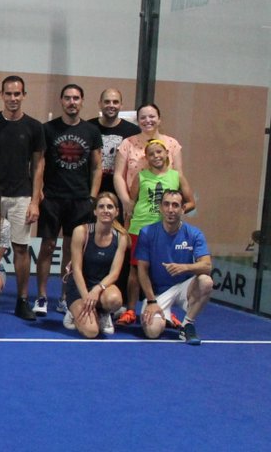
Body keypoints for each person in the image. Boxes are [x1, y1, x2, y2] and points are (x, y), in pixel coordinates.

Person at [0, 75, 45, 321]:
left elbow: (38, 166)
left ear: (23, 95)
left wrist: (35, 200)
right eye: (9, 94)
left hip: (21, 196)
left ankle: (22, 300)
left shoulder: (35, 127)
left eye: (17, 94)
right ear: (1, 95)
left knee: (21, 248)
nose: (13, 98)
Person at [35, 84, 102, 317]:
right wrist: (39, 193)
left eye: (76, 98)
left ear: (82, 101)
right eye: (67, 98)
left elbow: (97, 166)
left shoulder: (92, 131)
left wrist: (92, 196)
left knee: (71, 251)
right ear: (61, 101)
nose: (72, 102)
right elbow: (39, 163)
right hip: (52, 198)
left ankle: (65, 297)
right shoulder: (47, 129)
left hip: (80, 200)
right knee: (48, 246)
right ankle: (42, 296)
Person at [117, 139, 197, 326]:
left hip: (165, 231)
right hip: (139, 229)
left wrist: (177, 212)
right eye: (151, 154)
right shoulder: (141, 176)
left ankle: (166, 309)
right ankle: (130, 310)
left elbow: (191, 202)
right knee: (135, 270)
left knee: (161, 271)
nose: (156, 156)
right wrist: (127, 230)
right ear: (147, 158)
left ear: (166, 154)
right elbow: (131, 205)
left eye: (159, 152)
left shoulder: (176, 176)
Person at [135, 190, 211, 345]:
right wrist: (151, 301)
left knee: (206, 281)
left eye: (175, 205)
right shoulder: (147, 232)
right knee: (153, 331)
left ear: (183, 209)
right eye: (166, 204)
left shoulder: (194, 234)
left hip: (184, 288)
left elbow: (207, 266)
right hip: (157, 293)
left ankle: (187, 324)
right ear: (161, 208)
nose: (171, 209)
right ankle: (165, 316)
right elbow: (142, 271)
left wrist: (185, 267)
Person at [64, 193, 127, 338]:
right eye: (101, 206)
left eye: (110, 207)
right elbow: (77, 270)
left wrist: (97, 290)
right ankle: (72, 312)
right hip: (79, 288)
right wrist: (86, 296)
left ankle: (103, 313)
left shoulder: (121, 238)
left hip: (102, 287)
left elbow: (114, 274)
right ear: (95, 211)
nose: (106, 210)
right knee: (91, 332)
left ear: (116, 212)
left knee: (115, 300)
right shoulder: (81, 232)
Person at [113, 103, 184, 225]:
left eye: (152, 116)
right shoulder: (127, 143)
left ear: (159, 119)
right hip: (136, 206)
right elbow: (118, 175)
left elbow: (178, 175)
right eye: (143, 117)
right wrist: (127, 202)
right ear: (138, 121)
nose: (148, 120)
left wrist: (173, 206)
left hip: (165, 208)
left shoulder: (172, 144)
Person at [87, 88, 140, 202]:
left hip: (121, 193)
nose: (111, 105)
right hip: (90, 191)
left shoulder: (133, 131)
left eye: (115, 102)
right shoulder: (87, 128)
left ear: (121, 105)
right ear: (100, 104)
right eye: (107, 102)